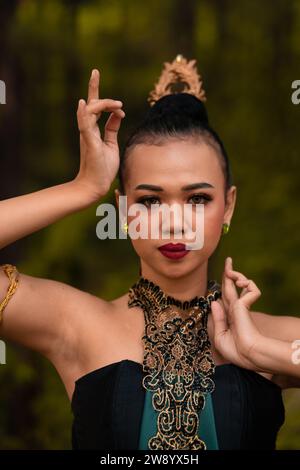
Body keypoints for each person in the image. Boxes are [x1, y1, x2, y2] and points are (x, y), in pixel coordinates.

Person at [0, 55, 300, 451]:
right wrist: (84, 188)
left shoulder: (274, 336)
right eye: (150, 201)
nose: (175, 223)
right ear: (123, 208)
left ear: (227, 206)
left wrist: (261, 351)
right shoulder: (76, 325)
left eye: (197, 198)